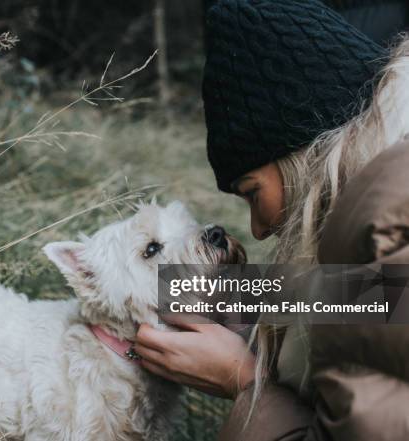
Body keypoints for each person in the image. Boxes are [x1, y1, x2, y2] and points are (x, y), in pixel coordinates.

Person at [134, 1, 409, 439]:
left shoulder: (385, 216)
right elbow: (372, 299)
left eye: (252, 192)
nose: (259, 229)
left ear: (303, 157)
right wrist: (208, 291)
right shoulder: (393, 196)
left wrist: (243, 382)